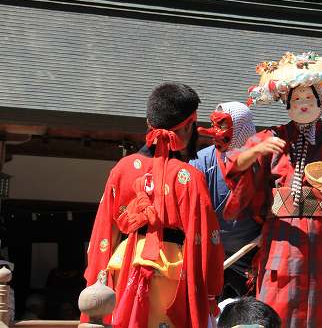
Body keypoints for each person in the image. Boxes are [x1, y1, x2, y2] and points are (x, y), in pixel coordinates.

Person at [224, 52, 322, 328]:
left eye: (309, 99)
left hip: (320, 234)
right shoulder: (272, 137)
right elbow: (234, 164)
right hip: (282, 233)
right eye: (296, 99)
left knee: (318, 299)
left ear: (321, 102)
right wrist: (256, 150)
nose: (303, 104)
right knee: (276, 293)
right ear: (287, 104)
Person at [83, 82, 225, 327]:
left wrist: (98, 278)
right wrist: (210, 291)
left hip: (124, 270)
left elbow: (104, 232)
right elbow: (206, 239)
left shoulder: (123, 169)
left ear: (149, 123)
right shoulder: (189, 177)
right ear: (189, 126)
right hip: (172, 274)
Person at [191, 102, 261, 298]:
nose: (215, 132)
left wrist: (270, 231)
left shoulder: (264, 161)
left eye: (222, 125)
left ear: (241, 127)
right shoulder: (201, 161)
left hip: (251, 255)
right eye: (215, 125)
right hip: (209, 250)